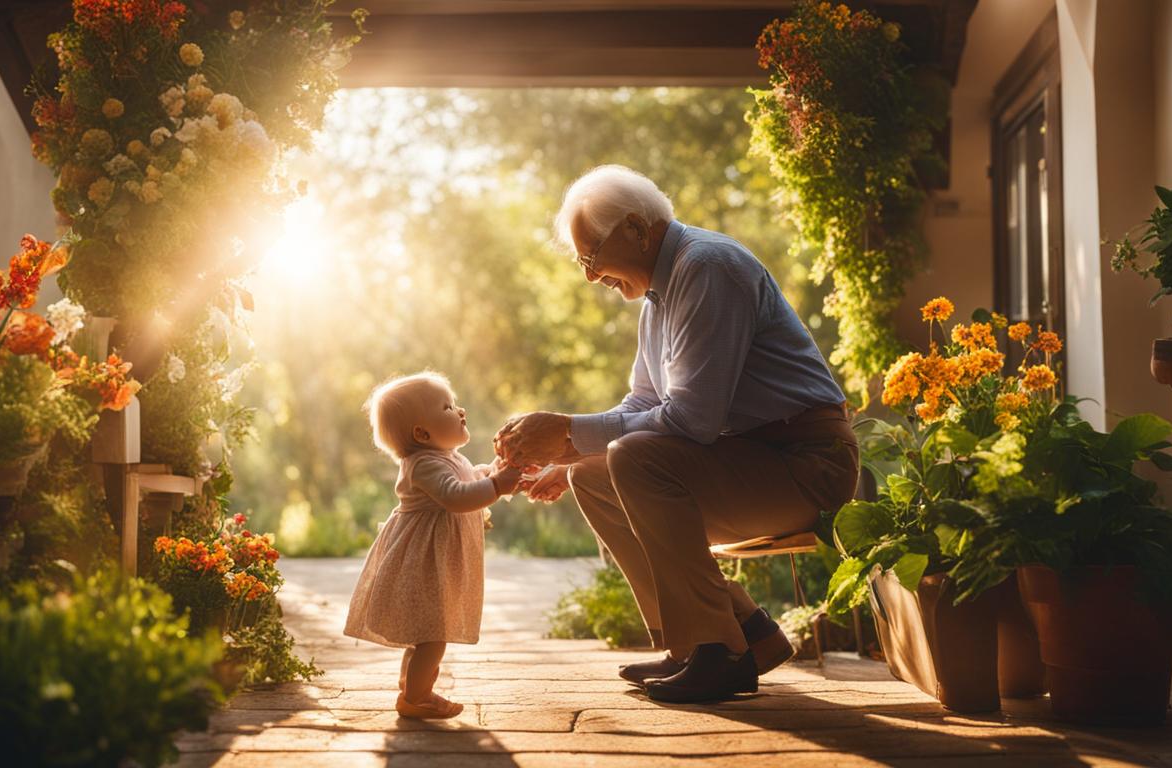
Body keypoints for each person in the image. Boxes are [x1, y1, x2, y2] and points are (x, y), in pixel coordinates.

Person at [499, 165, 859, 703]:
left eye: (590, 258)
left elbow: (692, 419)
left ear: (637, 230)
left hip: (806, 464)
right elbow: (643, 404)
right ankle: (718, 640)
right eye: (582, 262)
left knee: (633, 458)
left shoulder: (708, 267)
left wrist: (570, 431)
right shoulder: (658, 296)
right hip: (748, 459)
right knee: (595, 475)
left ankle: (723, 651)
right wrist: (568, 457)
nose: (590, 277)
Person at [345, 372, 522, 718]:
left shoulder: (450, 457)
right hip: (424, 562)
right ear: (422, 434)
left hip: (436, 561)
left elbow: (470, 480)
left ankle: (411, 689)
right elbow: (457, 496)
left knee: (425, 632)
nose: (460, 411)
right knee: (432, 634)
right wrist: (498, 486)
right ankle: (416, 697)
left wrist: (493, 472)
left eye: (454, 403)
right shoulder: (423, 464)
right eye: (447, 407)